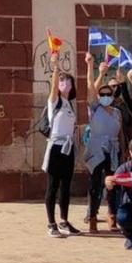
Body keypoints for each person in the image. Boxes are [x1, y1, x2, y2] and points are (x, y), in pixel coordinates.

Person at [83, 53, 124, 233]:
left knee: (112, 184)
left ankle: (112, 215)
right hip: (96, 149)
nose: (106, 96)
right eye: (103, 94)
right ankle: (92, 216)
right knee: (95, 184)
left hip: (113, 150)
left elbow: (120, 132)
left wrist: (122, 150)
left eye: (109, 93)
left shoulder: (116, 112)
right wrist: (92, 67)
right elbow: (90, 87)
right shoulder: (95, 108)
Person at [43, 52, 81, 238]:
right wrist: (56, 66)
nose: (65, 83)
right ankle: (51, 223)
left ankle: (64, 220)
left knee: (66, 186)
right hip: (56, 148)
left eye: (69, 81)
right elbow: (53, 87)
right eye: (62, 81)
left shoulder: (69, 104)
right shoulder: (55, 101)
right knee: (53, 186)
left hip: (68, 148)